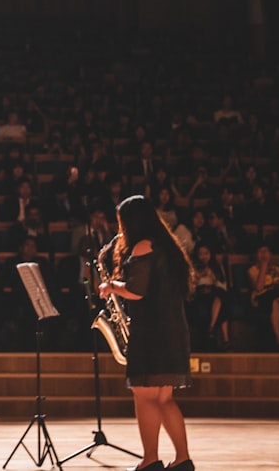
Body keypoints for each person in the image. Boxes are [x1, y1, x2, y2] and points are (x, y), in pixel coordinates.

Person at [98, 195, 195, 471]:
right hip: (171, 330)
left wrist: (112, 287)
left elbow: (136, 291)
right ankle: (182, 460)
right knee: (164, 398)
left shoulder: (142, 246)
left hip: (153, 333)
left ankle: (150, 460)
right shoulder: (166, 245)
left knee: (145, 396)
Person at [247, 244, 279, 349]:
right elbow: (259, 287)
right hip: (261, 297)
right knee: (273, 304)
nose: (264, 254)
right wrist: (264, 266)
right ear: (256, 255)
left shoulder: (277, 269)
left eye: (266, 251)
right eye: (260, 251)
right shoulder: (252, 270)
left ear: (270, 254)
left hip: (278, 295)